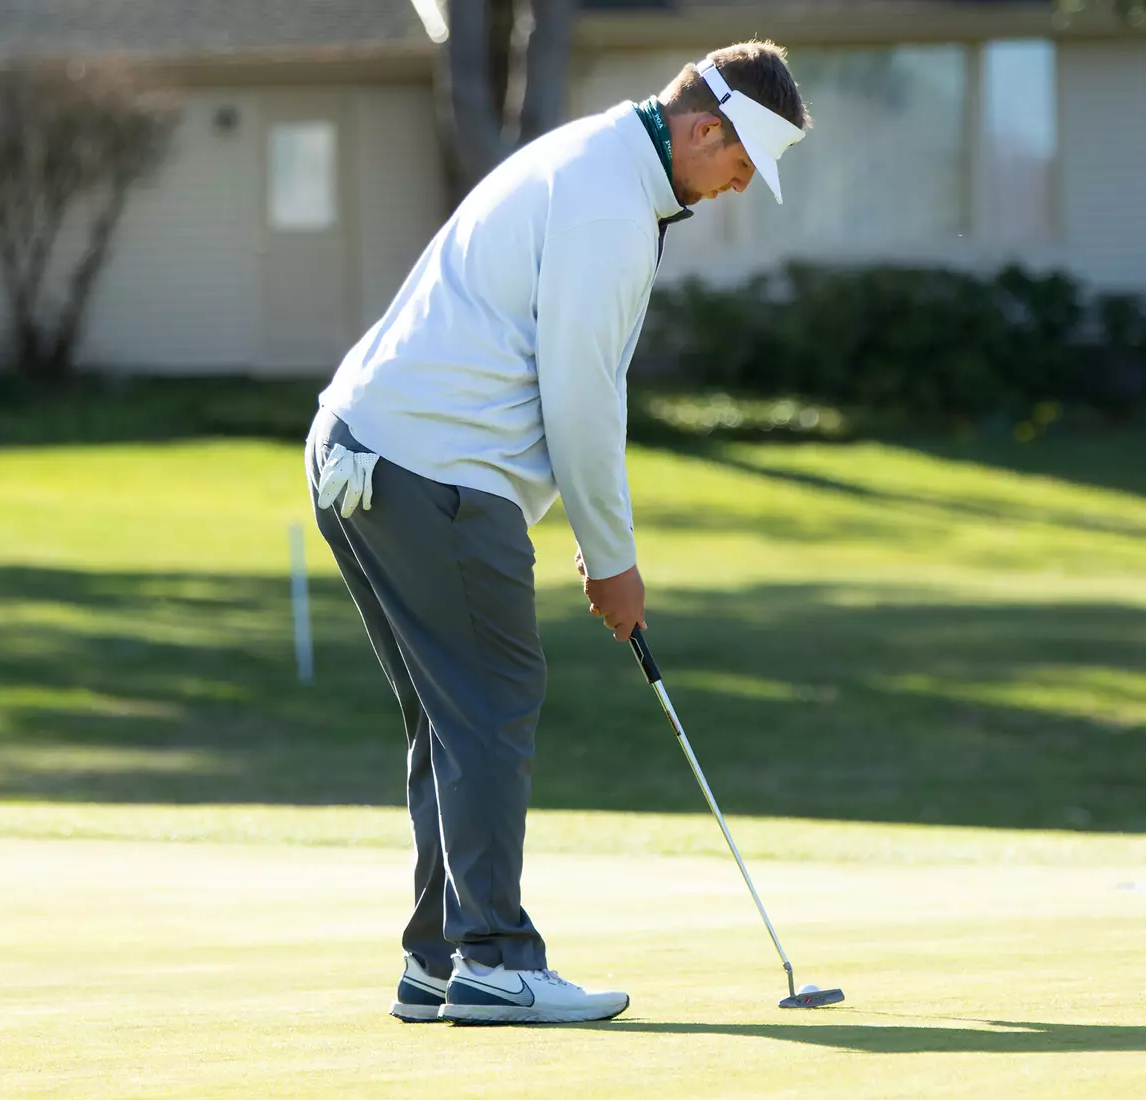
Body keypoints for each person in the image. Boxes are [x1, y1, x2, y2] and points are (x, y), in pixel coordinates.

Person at [304, 41, 810, 1025]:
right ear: (705, 129)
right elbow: (581, 395)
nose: (740, 185)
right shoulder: (610, 206)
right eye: (741, 163)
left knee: (453, 717)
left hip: (361, 452)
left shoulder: (594, 162)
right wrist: (614, 560)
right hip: (431, 472)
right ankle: (493, 956)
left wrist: (587, 527)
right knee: (493, 698)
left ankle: (439, 957)